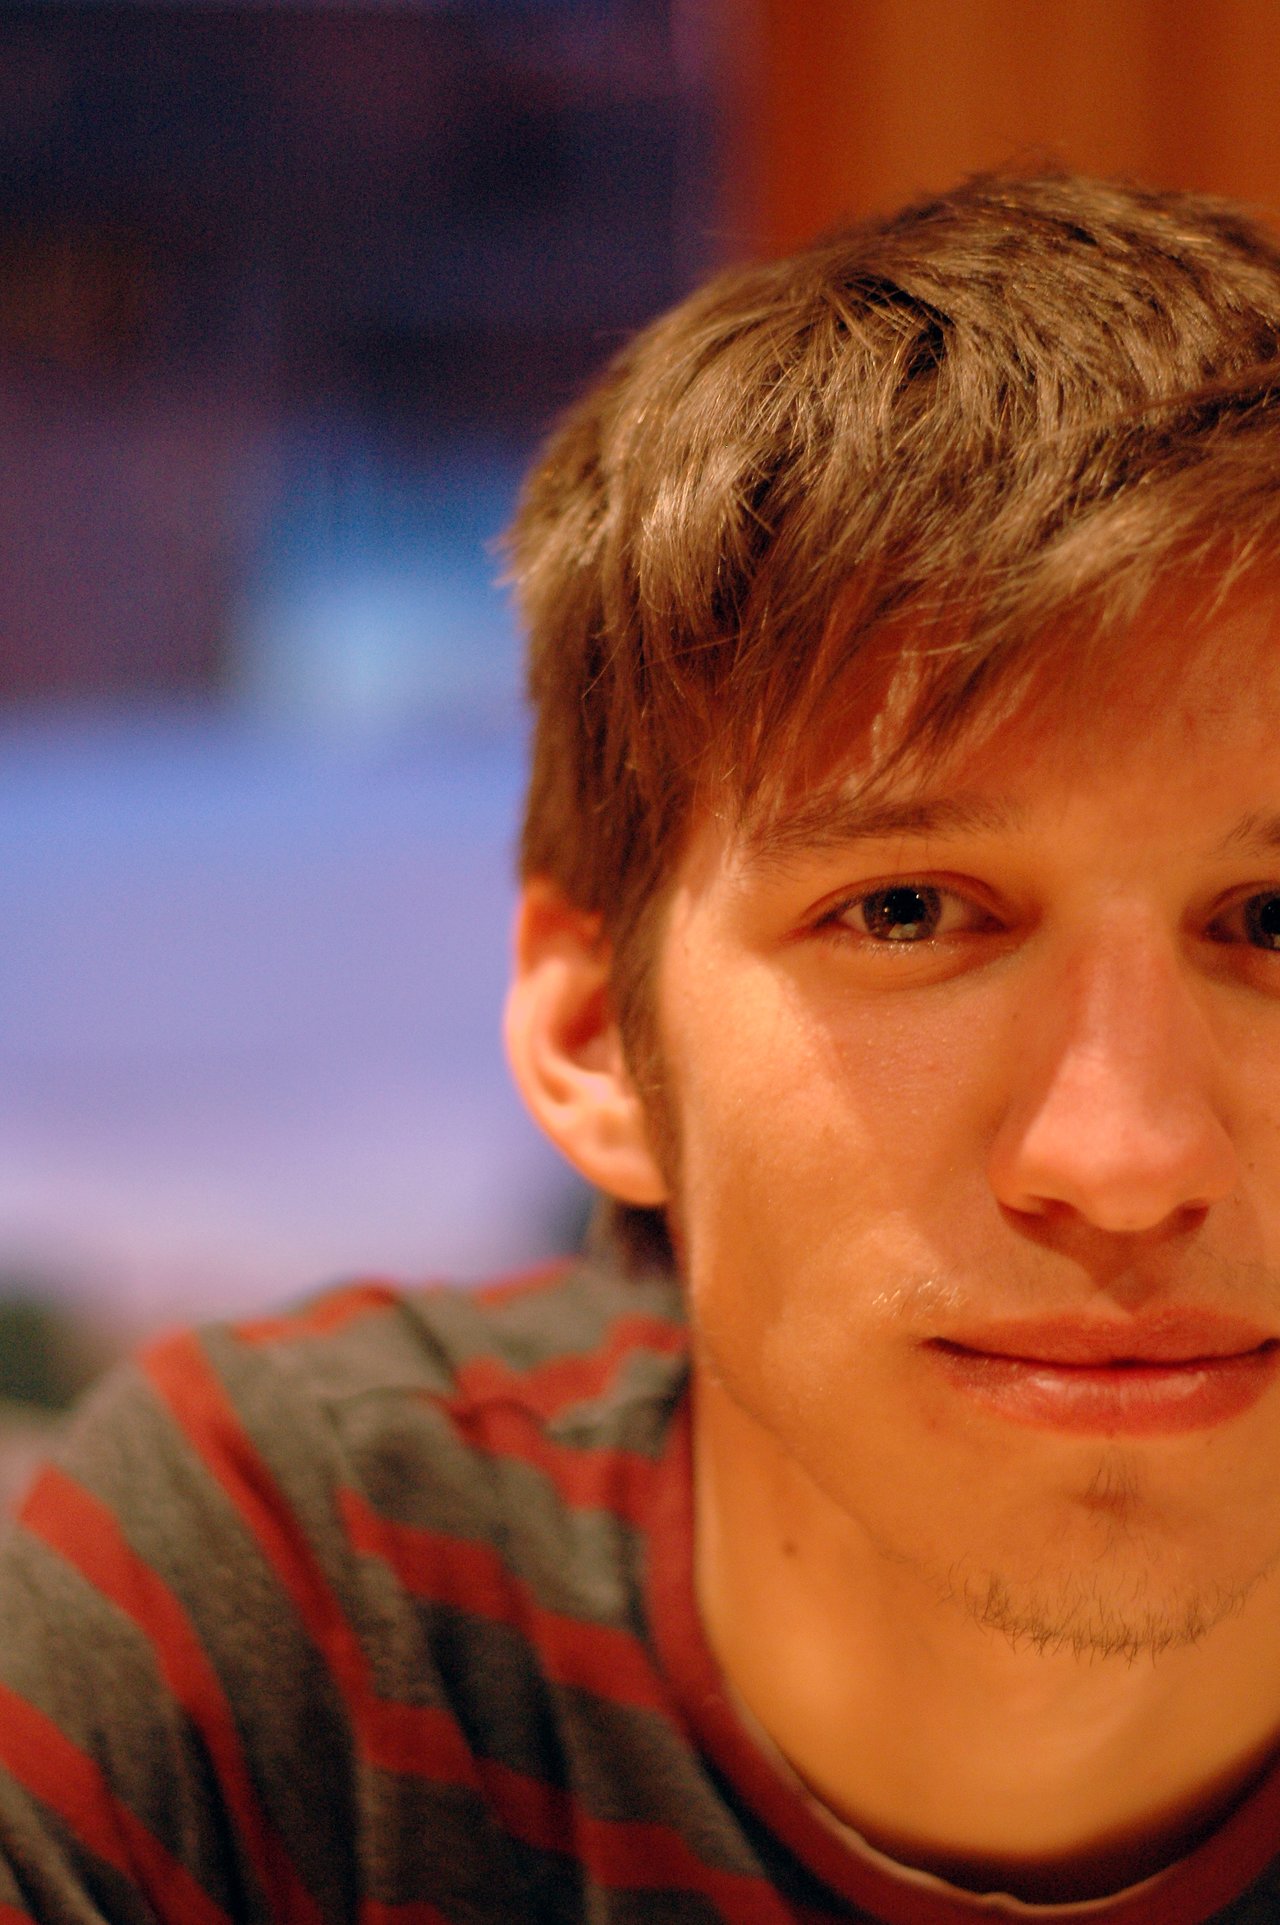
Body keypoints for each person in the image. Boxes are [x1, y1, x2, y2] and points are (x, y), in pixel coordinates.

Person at [7, 169, 1280, 1924]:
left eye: (1273, 921)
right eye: (908, 910)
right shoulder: (298, 1607)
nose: (1126, 1157)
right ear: (596, 1031)